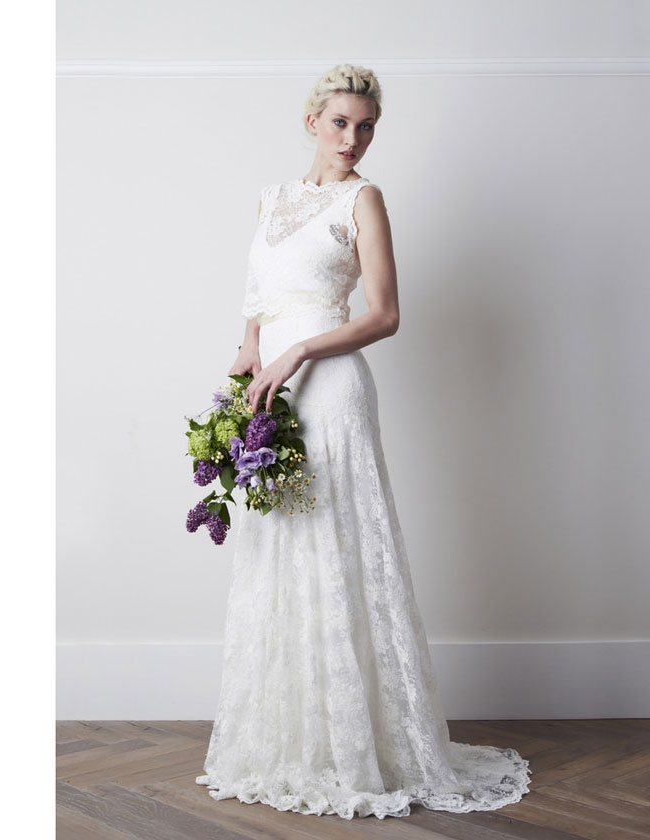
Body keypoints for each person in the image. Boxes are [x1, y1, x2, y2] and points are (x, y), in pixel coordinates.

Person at [195, 63, 532, 820]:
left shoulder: (363, 199)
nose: (353, 138)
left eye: (367, 126)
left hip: (331, 388)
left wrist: (297, 351)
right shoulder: (271, 198)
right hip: (274, 392)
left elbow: (385, 314)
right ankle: (293, 739)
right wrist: (250, 350)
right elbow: (259, 297)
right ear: (311, 122)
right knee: (281, 547)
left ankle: (355, 745)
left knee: (338, 546)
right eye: (341, 122)